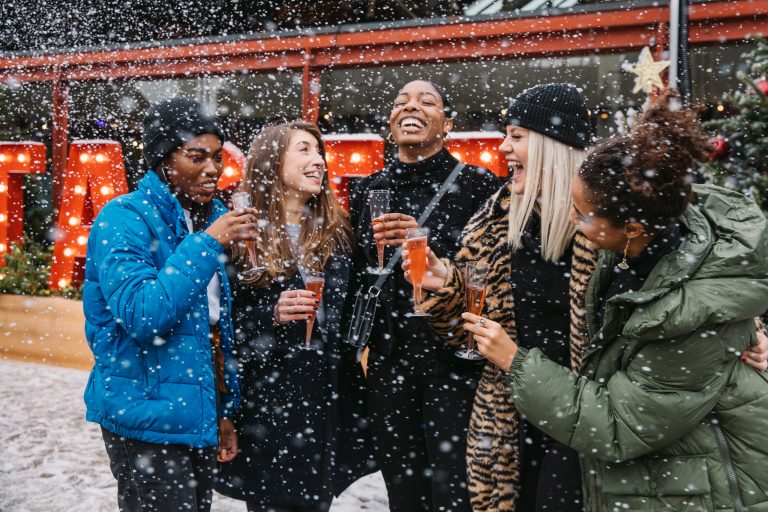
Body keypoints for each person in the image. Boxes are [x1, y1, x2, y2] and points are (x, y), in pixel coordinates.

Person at [405, 83, 768, 512]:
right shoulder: (494, 221)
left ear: (552, 146)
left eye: (517, 136)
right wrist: (445, 287)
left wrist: (749, 334)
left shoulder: (613, 220)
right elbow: (469, 335)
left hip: (591, 415)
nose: (503, 146)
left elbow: (684, 288)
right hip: (511, 420)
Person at [83, 97, 252, 512]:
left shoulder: (207, 217)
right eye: (197, 156)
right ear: (162, 158)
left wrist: (223, 412)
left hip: (197, 414)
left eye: (217, 156)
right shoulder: (123, 217)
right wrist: (209, 243)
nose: (212, 169)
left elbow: (215, 328)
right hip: (145, 418)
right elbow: (145, 314)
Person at [343, 79, 501, 512]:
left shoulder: (477, 185)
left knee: (457, 490)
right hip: (389, 363)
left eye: (426, 101)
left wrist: (426, 245)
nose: (409, 107)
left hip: (455, 361)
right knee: (403, 489)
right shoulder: (367, 190)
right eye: (400, 102)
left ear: (447, 123)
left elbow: (487, 271)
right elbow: (358, 271)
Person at [215, 121, 377, 512]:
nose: (318, 159)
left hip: (326, 402)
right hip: (267, 406)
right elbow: (218, 323)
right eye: (303, 149)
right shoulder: (238, 232)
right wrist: (269, 314)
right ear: (272, 161)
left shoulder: (339, 233)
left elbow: (354, 312)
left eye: (318, 151)